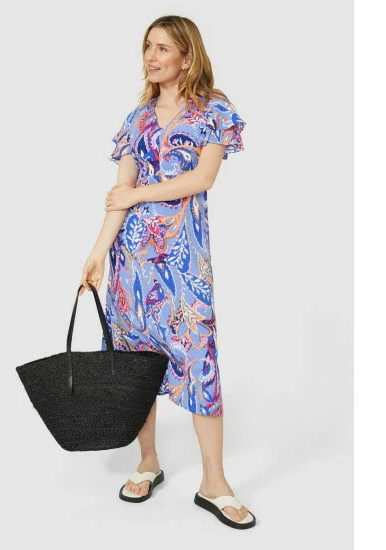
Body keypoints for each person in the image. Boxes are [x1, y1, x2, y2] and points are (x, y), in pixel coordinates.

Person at [79, 15, 255, 529]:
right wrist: (97, 253)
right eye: (147, 47)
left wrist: (137, 194)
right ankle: (148, 462)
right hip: (130, 264)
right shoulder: (137, 120)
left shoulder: (214, 111)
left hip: (183, 265)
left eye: (162, 48)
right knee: (136, 365)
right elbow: (119, 197)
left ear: (186, 56)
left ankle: (214, 482)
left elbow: (202, 179)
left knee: (201, 362)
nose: (151, 57)